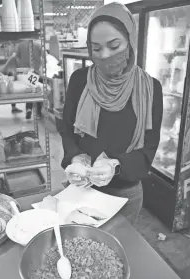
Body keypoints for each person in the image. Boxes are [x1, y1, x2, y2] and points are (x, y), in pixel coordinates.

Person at [59, 2, 163, 225]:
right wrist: (75, 156)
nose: (104, 55)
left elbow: (149, 149)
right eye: (96, 49)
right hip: (81, 191)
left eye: (114, 46)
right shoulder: (80, 80)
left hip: (125, 195)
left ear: (130, 41)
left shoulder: (150, 89)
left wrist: (115, 165)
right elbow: (67, 128)